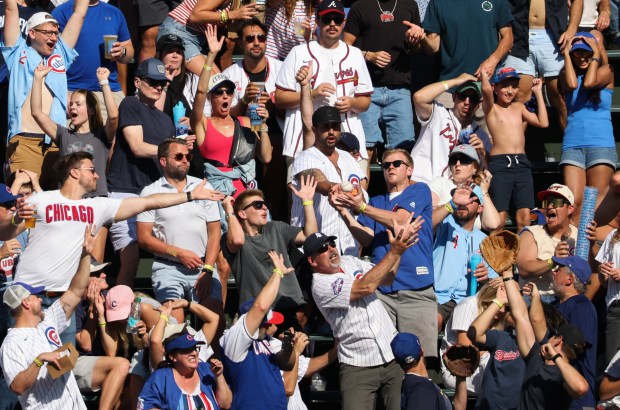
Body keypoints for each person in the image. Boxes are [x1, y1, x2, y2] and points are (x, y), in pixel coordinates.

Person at [9, 151, 225, 343]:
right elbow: (5, 232)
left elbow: (149, 202)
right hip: (29, 295)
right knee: (19, 369)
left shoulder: (97, 206)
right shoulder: (41, 200)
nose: (97, 175)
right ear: (74, 173)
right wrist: (14, 219)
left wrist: (190, 195)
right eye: (92, 170)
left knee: (61, 369)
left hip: (65, 301)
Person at [328, 149, 437, 361]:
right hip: (382, 292)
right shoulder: (376, 201)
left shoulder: (420, 190)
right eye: (386, 165)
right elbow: (366, 238)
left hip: (416, 290)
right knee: (384, 358)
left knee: (421, 360)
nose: (391, 168)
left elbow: (401, 220)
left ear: (410, 169)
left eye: (397, 163)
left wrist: (360, 206)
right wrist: (343, 212)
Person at [307, 216, 421, 410]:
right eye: (323, 248)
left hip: (390, 355)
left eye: (331, 243)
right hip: (357, 364)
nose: (331, 249)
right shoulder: (319, 284)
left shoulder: (351, 261)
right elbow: (366, 286)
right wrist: (394, 251)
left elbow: (387, 277)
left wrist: (399, 246)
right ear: (312, 260)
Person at [0, 226, 96, 409]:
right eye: (35, 296)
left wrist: (85, 255)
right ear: (26, 304)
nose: (39, 298)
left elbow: (76, 291)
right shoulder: (11, 344)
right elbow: (17, 387)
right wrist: (39, 360)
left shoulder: (48, 321)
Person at [275, 0, 373, 176]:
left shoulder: (355, 54)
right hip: (302, 136)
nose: (332, 24)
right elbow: (280, 98)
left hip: (347, 135)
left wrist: (353, 102)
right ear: (317, 22)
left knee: (354, 191)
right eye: (327, 19)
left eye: (337, 19)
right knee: (302, 197)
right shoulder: (298, 52)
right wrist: (311, 94)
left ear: (344, 22)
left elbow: (365, 101)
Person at [1, 0, 89, 189]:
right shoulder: (17, 52)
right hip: (25, 141)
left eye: (56, 33)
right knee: (23, 201)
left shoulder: (60, 53)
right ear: (31, 33)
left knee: (52, 205)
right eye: (48, 32)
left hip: (57, 143)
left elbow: (79, 14)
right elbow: (10, 8)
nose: (54, 37)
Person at [106, 58, 177, 287]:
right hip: (124, 192)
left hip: (152, 194)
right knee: (131, 257)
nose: (158, 87)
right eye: (152, 81)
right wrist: (171, 152)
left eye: (162, 83)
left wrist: (181, 151)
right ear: (137, 81)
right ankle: (119, 316)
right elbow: (136, 146)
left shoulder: (166, 120)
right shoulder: (130, 104)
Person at [137, 138, 222, 324]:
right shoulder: (150, 192)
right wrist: (178, 253)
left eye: (188, 156)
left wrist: (208, 269)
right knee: (175, 328)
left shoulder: (203, 186)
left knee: (215, 320)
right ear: (163, 161)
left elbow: (215, 232)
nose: (185, 160)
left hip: (202, 267)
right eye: (179, 156)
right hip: (168, 267)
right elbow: (143, 238)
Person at [289, 64, 367, 256]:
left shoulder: (349, 159)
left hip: (347, 247)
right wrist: (342, 187)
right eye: (325, 127)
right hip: (313, 250)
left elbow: (363, 195)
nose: (331, 132)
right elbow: (320, 183)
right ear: (315, 129)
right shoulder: (305, 158)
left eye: (335, 126)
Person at [192, 25, 272, 200]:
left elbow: (265, 157)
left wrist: (263, 125)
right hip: (216, 193)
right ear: (211, 98)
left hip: (246, 193)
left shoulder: (245, 121)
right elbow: (200, 91)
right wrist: (211, 55)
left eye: (228, 92)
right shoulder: (203, 123)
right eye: (219, 93)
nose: (224, 96)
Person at [221, 179, 316, 323]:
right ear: (242, 214)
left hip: (289, 305)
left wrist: (308, 202)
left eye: (265, 204)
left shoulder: (275, 227)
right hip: (258, 311)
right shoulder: (231, 237)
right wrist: (229, 212)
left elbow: (309, 236)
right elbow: (237, 241)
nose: (265, 208)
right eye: (258, 205)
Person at [502, 260, 589, 410]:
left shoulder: (564, 376)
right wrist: (507, 274)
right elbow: (522, 315)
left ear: (558, 340)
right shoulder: (536, 355)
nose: (549, 336)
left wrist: (555, 357)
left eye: (553, 335)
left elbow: (581, 388)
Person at [343, 0, 422, 158]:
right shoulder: (359, 6)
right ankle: (361, 183)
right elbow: (345, 46)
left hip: (400, 90)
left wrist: (416, 40)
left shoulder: (410, 5)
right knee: (365, 150)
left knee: (401, 152)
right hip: (367, 90)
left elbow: (416, 48)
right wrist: (368, 55)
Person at [219, 251, 298, 410]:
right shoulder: (235, 340)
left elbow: (287, 364)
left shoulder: (267, 341)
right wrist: (277, 273)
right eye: (270, 323)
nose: (274, 327)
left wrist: (288, 346)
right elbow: (261, 307)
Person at [31, 64, 117, 199]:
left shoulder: (101, 136)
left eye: (78, 104)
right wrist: (37, 79)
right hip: (67, 202)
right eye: (71, 104)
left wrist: (104, 83)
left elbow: (113, 116)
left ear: (91, 110)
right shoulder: (64, 135)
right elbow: (36, 113)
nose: (72, 107)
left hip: (95, 200)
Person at [481, 67, 549, 232]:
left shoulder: (519, 107)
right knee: (500, 218)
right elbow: (485, 90)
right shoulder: (491, 108)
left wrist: (538, 92)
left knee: (525, 218)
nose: (509, 90)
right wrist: (484, 76)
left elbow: (543, 122)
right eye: (505, 86)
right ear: (495, 87)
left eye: (513, 86)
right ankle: (496, 257)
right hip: (501, 164)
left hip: (522, 164)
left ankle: (522, 256)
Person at [559, 31, 616, 225]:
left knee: (595, 205)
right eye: (577, 53)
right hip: (573, 146)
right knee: (574, 203)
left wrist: (596, 54)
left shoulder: (606, 70)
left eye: (586, 53)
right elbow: (573, 84)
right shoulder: (565, 75)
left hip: (600, 144)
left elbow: (590, 82)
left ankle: (591, 253)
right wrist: (566, 54)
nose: (582, 57)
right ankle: (577, 254)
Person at [503, 0, 584, 131]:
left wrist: (572, 29)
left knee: (561, 96)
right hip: (518, 36)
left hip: (553, 35)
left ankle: (572, 148)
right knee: (520, 98)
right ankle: (515, 150)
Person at [51, 0, 134, 115]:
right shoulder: (62, 12)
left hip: (109, 92)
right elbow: (51, 54)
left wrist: (122, 51)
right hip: (72, 92)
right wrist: (62, 92)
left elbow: (129, 51)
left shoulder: (114, 13)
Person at [431, 184, 496, 328]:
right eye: (460, 198)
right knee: (433, 322)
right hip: (439, 298)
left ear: (480, 208)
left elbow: (495, 281)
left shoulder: (485, 241)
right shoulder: (443, 224)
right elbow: (423, 225)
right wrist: (451, 204)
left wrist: (485, 278)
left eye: (470, 199)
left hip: (468, 301)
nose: (463, 203)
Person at [411, 75, 492, 183]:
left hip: (452, 192)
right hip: (422, 182)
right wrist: (455, 81)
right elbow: (419, 97)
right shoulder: (438, 113)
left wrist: (484, 154)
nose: (467, 102)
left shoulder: (481, 136)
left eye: (472, 99)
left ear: (478, 104)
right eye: (462, 96)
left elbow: (489, 173)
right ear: (454, 97)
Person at [73, 267, 130, 410]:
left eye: (104, 271)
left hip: (105, 362)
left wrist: (102, 316)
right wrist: (92, 308)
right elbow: (86, 345)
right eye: (97, 274)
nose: (104, 275)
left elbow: (111, 352)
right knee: (121, 365)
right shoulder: (73, 304)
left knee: (131, 376)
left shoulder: (109, 297)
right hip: (76, 362)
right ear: (81, 278)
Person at [419, 0, 513, 82]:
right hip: (450, 84)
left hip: (487, 82)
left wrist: (492, 61)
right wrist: (423, 38)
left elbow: (508, 36)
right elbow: (433, 47)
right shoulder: (438, 2)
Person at [467, 281, 525, 410]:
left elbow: (523, 317)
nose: (505, 310)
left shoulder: (535, 346)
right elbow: (474, 333)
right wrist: (498, 301)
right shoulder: (503, 337)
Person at [158, 0, 257, 75]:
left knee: (219, 79)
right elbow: (195, 15)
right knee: (216, 82)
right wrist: (232, 15)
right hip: (178, 31)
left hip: (196, 37)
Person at [138, 332, 232, 410]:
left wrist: (219, 376)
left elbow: (226, 405)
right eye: (187, 350)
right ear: (173, 357)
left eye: (195, 348)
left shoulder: (206, 369)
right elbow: (145, 406)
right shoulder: (161, 377)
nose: (194, 353)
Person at [517, 184, 577, 303]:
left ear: (570, 209)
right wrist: (553, 260)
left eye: (556, 202)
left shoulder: (579, 236)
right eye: (546, 202)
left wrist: (592, 246)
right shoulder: (531, 233)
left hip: (568, 299)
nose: (550, 206)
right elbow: (524, 269)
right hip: (536, 298)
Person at [552, 255, 598, 409]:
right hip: (558, 397)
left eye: (558, 270)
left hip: (578, 400)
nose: (553, 272)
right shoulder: (554, 306)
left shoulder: (581, 305)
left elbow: (577, 345)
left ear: (569, 279)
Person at [427, 144, 500, 231]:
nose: (457, 164)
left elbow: (492, 224)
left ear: (475, 168)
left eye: (464, 160)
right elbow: (427, 220)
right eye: (453, 160)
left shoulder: (478, 190)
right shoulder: (440, 183)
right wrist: (452, 204)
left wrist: (484, 191)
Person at [390, 332, 452, 410]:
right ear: (422, 351)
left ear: (397, 361)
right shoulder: (422, 389)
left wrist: (460, 379)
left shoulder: (413, 383)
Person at [594, 220, 620, 364]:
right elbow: (604, 283)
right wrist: (602, 271)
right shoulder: (613, 235)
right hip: (615, 309)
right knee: (613, 368)